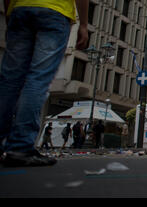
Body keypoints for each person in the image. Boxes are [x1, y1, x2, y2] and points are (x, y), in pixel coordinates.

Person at [0, 0, 89, 167]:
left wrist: (9, 12)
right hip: (54, 11)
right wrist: (83, 24)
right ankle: (20, 147)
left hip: (20, 9)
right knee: (38, 79)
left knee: (9, 80)